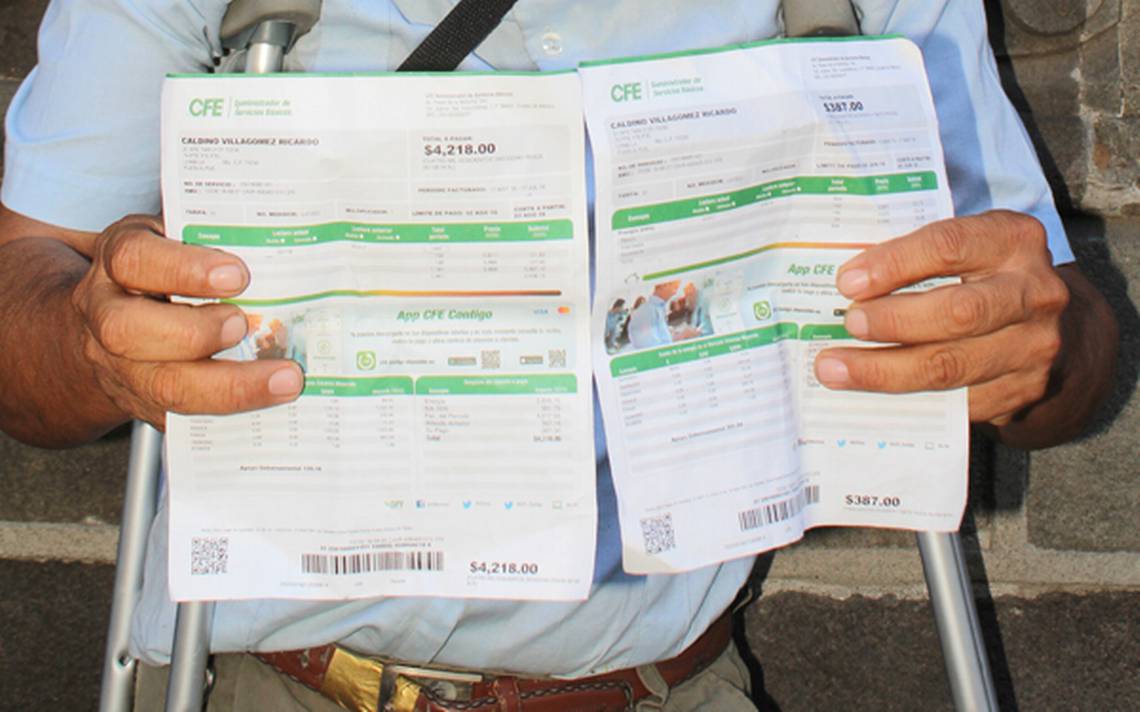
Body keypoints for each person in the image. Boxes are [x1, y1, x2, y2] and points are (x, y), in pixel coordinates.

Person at [0, 1, 1119, 710]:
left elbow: (1061, 332)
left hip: (663, 686)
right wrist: (93, 349)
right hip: (266, 680)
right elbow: (21, 294)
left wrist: (1034, 348)